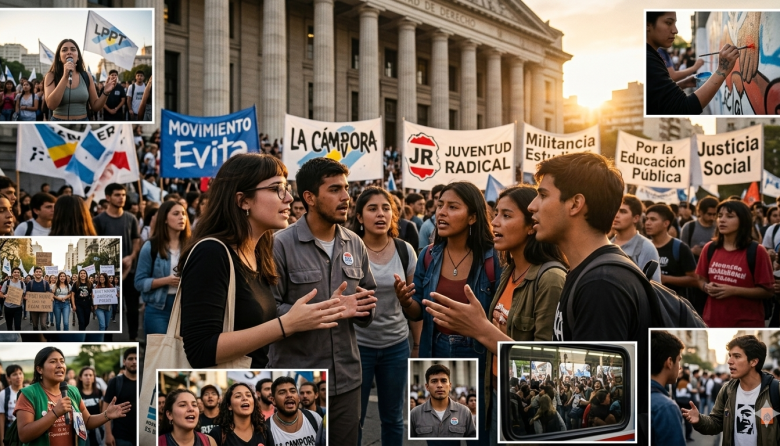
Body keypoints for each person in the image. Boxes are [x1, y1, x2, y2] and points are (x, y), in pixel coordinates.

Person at [417, 185, 566, 442]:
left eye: (506, 215)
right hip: (492, 387)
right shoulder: (509, 271)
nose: (494, 222)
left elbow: (545, 363)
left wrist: (479, 328)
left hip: (516, 401)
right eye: (496, 214)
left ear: (532, 225)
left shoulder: (549, 278)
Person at [179, 154, 345, 370]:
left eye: (286, 189)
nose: (288, 198)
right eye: (276, 189)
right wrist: (287, 324)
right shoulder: (211, 253)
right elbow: (200, 350)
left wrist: (322, 310)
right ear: (243, 200)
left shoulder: (260, 251)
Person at [526, 152, 649, 441]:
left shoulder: (601, 285)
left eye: (543, 195)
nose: (532, 206)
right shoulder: (587, 272)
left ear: (576, 204)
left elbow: (606, 429)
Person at [268, 157, 377, 445]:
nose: (346, 197)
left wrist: (362, 310)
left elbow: (366, 303)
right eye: (335, 189)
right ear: (310, 198)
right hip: (297, 381)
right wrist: (324, 310)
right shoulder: (280, 244)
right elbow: (268, 312)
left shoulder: (355, 242)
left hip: (346, 380)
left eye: (346, 188)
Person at [395, 181, 499, 444]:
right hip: (436, 349)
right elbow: (419, 312)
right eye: (440, 205)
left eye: (452, 207)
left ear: (473, 216)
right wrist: (406, 301)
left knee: (482, 437)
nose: (441, 212)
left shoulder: (493, 258)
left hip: (480, 354)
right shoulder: (428, 256)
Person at [350, 187, 417, 446]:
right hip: (357, 347)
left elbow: (414, 308)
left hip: (396, 346)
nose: (381, 214)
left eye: (386, 208)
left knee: (393, 418)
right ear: (359, 217)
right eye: (372, 208)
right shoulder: (350, 249)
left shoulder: (405, 250)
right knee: (355, 418)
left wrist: (418, 345)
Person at [14, 346, 131, 446]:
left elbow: (87, 421)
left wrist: (106, 415)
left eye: (62, 361)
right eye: (53, 361)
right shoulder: (29, 394)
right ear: (39, 369)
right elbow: (24, 435)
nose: (60, 365)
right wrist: (55, 413)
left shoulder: (72, 391)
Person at [682, 335, 780, 445]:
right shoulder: (727, 390)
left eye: (737, 356)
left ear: (753, 362)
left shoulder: (775, 390)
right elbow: (716, 423)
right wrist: (699, 420)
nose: (729, 361)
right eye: (730, 356)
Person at [695, 200, 773, 327]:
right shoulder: (709, 248)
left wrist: (733, 290)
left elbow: (767, 291)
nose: (722, 220)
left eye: (729, 216)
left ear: (743, 220)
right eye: (720, 216)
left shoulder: (757, 251)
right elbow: (700, 279)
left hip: (747, 324)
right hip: (712, 321)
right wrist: (706, 287)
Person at [646, 12, 739, 115]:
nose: (675, 30)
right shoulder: (649, 59)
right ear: (648, 25)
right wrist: (722, 70)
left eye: (674, 24)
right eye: (668, 23)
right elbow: (684, 108)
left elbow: (657, 96)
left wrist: (683, 84)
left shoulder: (653, 55)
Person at [93, 184, 140, 340]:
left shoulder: (131, 218)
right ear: (108, 197)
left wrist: (131, 256)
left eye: (123, 195)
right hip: (107, 276)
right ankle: (106, 340)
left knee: (132, 309)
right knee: (108, 310)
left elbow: (136, 240)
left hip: (129, 271)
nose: (121, 198)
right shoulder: (99, 220)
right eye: (117, 195)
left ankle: (133, 338)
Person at [135, 200, 190, 335]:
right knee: (161, 353)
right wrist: (166, 281)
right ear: (165, 219)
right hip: (158, 309)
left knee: (183, 354)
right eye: (176, 214)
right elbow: (139, 282)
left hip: (186, 308)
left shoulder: (192, 246)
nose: (181, 217)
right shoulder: (151, 246)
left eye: (183, 214)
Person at [43, 39, 117, 121]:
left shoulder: (86, 76)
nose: (69, 52)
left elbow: (96, 107)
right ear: (59, 57)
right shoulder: (51, 76)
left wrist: (105, 92)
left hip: (83, 124)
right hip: (59, 125)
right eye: (64, 50)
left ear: (78, 57)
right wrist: (65, 77)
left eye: (73, 49)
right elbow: (51, 105)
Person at [645, 204, 699, 299]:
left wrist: (665, 279)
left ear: (666, 223)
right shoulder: (644, 246)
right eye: (647, 219)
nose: (647, 223)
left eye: (653, 219)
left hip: (673, 305)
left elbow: (695, 280)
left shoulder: (680, 248)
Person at [409, 364, 476, 438]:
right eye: (434, 381)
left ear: (450, 386)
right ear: (427, 387)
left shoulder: (464, 412)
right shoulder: (415, 413)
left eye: (443, 381)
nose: (439, 385)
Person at [610, 194, 662, 282]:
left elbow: (654, 286)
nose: (616, 215)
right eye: (615, 210)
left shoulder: (646, 247)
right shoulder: (607, 243)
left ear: (636, 218)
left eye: (623, 211)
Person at [266, 377, 322, 446]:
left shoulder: (314, 418)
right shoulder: (266, 429)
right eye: (282, 392)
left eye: (292, 391)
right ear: (273, 400)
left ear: (298, 398)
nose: (289, 395)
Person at [102, 347, 137, 446]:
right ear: (124, 361)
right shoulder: (115, 382)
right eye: (130, 359)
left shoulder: (144, 382)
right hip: (121, 436)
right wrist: (108, 434)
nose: (134, 361)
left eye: (136, 358)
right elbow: (105, 408)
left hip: (142, 435)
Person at [78, 366, 105, 446]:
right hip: (82, 430)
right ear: (80, 377)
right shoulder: (77, 393)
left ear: (94, 378)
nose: (88, 377)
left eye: (90, 375)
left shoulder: (99, 393)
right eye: (85, 375)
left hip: (98, 430)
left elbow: (102, 410)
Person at [0, 364, 23, 444]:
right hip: (10, 430)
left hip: (25, 429)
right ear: (8, 378)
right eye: (14, 374)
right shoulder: (3, 394)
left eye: (20, 373)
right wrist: (2, 441)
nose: (18, 377)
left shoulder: (29, 392)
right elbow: (1, 418)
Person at [419, 185, 446, 250]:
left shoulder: (454, 222)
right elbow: (422, 251)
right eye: (436, 198)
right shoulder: (426, 225)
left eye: (441, 197)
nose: (439, 200)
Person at [27, 267, 52, 331]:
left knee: (43, 325)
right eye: (37, 272)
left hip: (43, 308)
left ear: (42, 273)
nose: (38, 273)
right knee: (35, 325)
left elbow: (48, 292)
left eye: (40, 272)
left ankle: (44, 339)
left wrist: (49, 297)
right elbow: (27, 292)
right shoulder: (30, 283)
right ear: (34, 273)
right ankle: (36, 339)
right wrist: (27, 296)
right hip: (33, 307)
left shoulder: (45, 283)